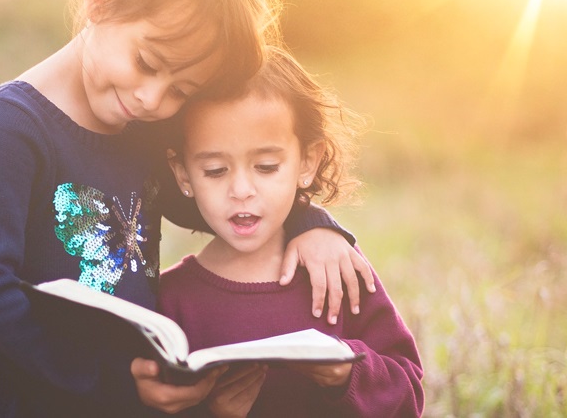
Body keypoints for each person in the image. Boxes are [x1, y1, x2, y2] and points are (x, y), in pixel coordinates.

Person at [0, 0, 375, 417]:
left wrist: (313, 224)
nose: (154, 99)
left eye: (181, 90)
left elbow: (220, 202)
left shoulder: (139, 127)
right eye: (147, 62)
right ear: (100, 0)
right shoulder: (11, 129)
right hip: (19, 400)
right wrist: (115, 384)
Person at [159, 50, 424, 417]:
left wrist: (347, 374)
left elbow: (408, 392)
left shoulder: (335, 268)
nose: (241, 189)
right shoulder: (171, 300)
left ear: (307, 163)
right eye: (216, 170)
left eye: (266, 167)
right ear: (184, 174)